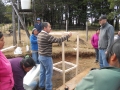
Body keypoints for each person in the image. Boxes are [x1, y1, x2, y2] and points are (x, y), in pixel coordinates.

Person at [37, 22, 72, 90]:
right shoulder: (47, 36)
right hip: (46, 57)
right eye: (49, 27)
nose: (50, 28)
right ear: (45, 28)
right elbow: (58, 40)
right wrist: (68, 35)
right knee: (49, 73)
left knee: (42, 72)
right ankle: (48, 88)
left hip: (41, 56)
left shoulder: (39, 34)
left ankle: (41, 86)